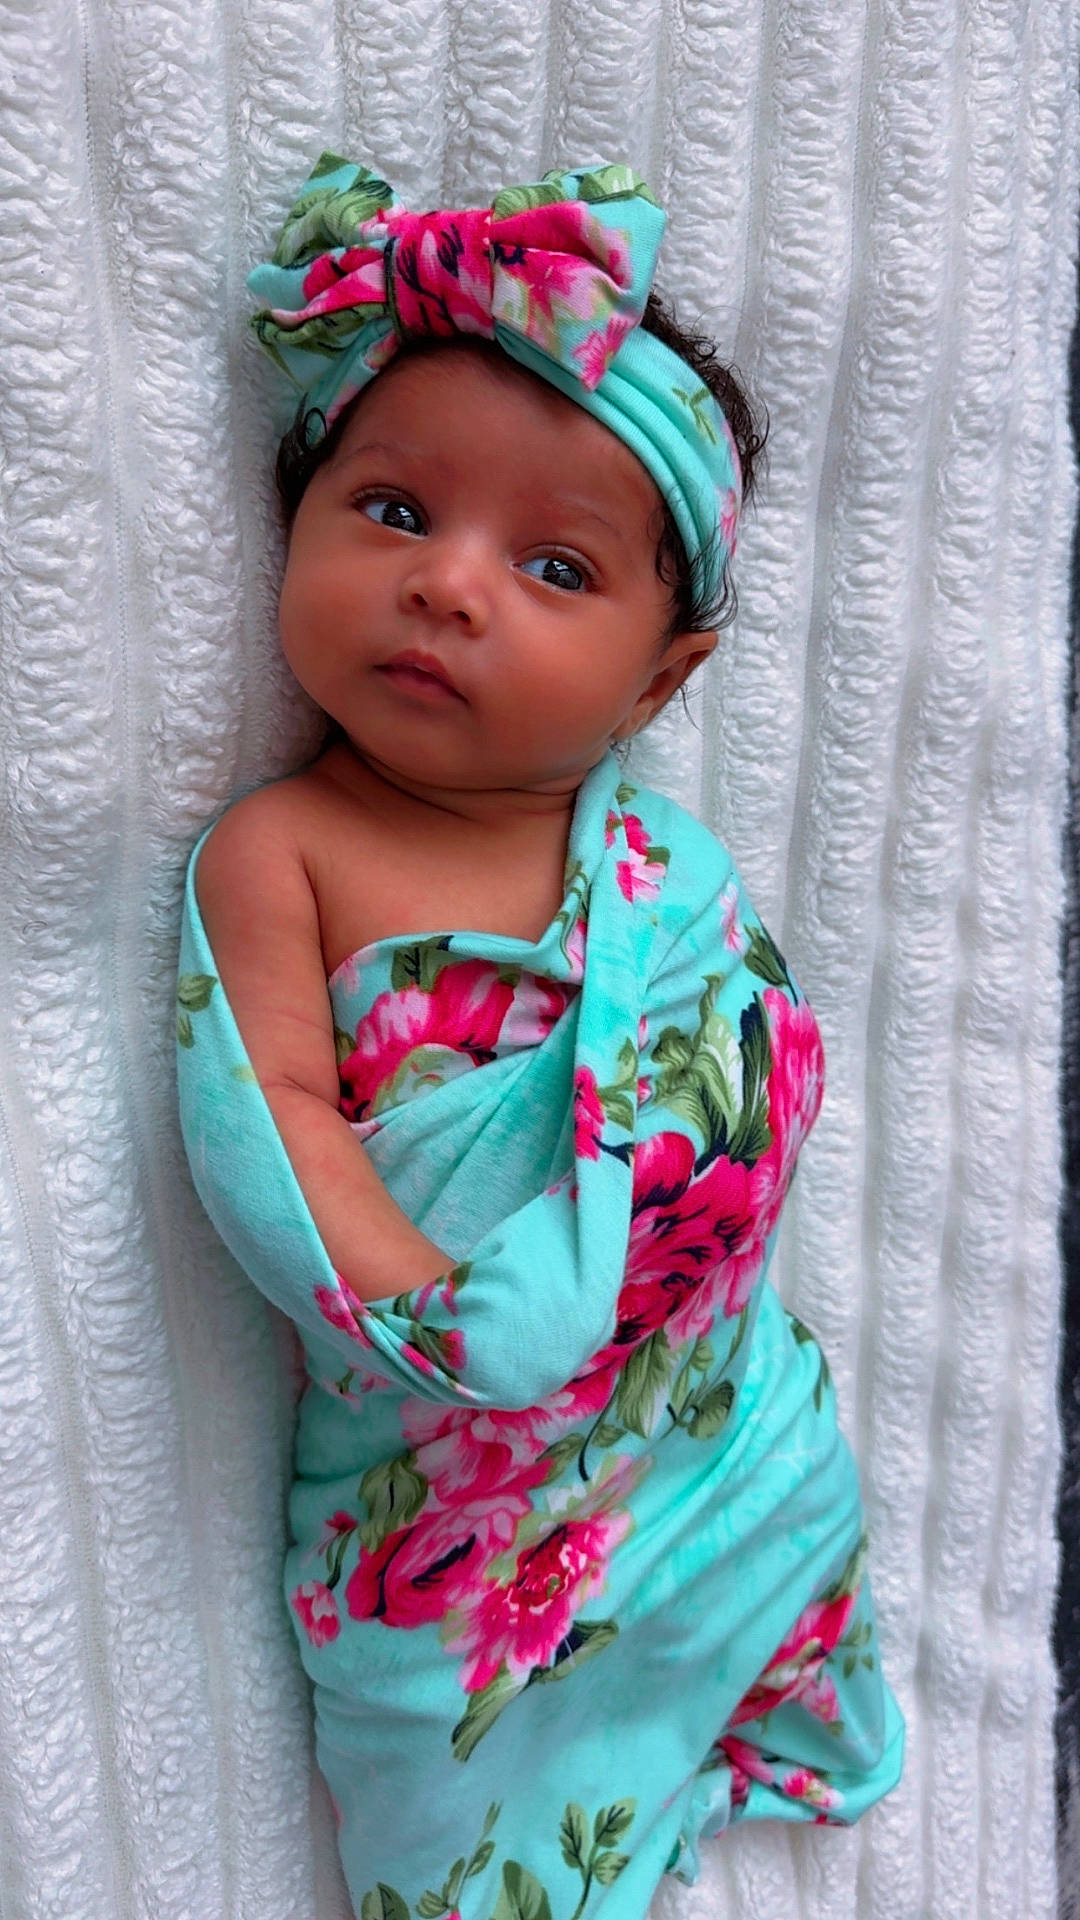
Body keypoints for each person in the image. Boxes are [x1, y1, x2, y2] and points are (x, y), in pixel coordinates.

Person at [177, 154, 904, 1919]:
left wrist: (659, 1233)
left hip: (693, 1421)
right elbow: (265, 1111)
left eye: (556, 564)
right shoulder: (286, 847)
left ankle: (752, 1700)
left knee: (786, 1499)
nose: (451, 589)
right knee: (437, 1739)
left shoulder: (665, 873)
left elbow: (754, 1079)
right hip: (448, 1451)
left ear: (662, 679)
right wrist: (437, 1308)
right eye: (397, 514)